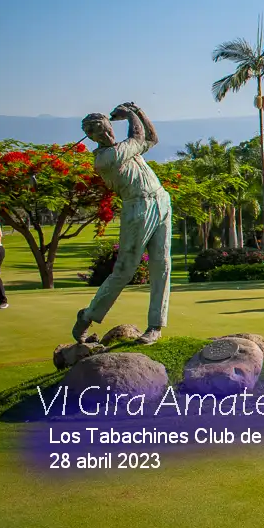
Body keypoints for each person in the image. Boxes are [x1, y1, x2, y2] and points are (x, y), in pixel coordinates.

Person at [72, 103, 171, 346]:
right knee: (125, 268)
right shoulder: (105, 158)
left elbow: (151, 139)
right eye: (99, 131)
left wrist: (139, 111)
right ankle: (88, 315)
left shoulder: (124, 149)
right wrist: (129, 114)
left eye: (107, 128)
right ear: (92, 136)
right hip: (137, 207)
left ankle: (155, 326)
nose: (106, 133)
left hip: (161, 200)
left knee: (162, 265)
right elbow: (137, 137)